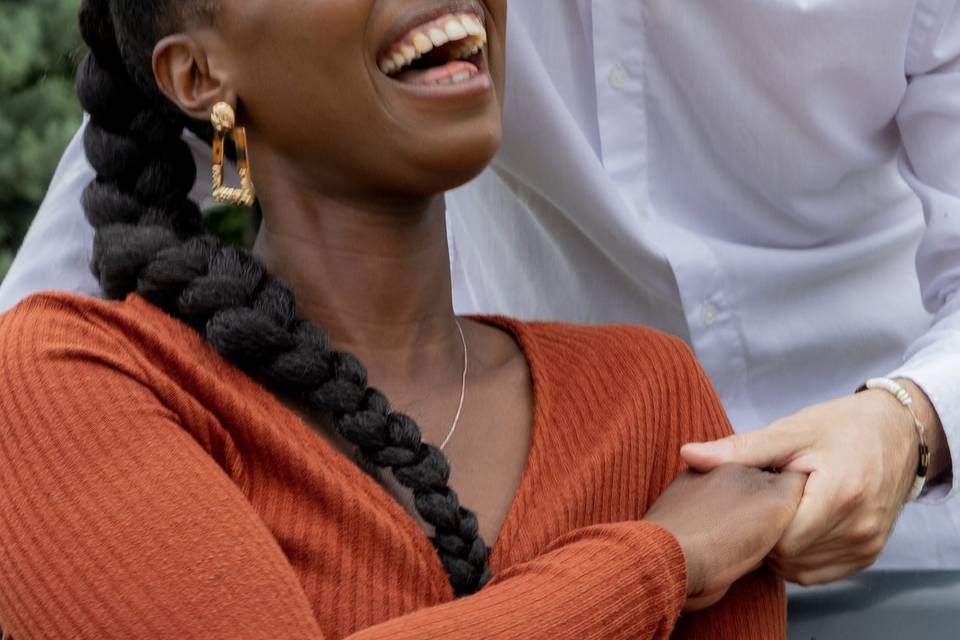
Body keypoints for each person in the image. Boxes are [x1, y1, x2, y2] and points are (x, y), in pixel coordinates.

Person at [5, 1, 958, 586]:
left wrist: (908, 426)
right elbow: (151, 122)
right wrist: (662, 563)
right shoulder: (99, 391)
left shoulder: (647, 389)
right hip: (528, 509)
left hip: (912, 536)